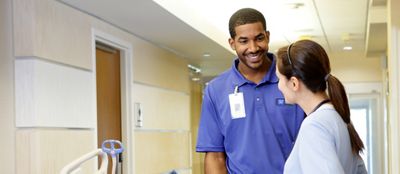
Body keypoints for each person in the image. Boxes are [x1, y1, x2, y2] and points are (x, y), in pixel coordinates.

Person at [196, 8, 304, 173]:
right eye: (243, 41)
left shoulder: (292, 80)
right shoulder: (216, 90)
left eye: (259, 38)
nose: (253, 48)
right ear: (232, 43)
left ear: (267, 36)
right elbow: (215, 155)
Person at [275, 39, 368, 173]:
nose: (278, 86)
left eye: (279, 79)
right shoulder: (337, 116)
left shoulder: (314, 126)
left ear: (294, 83)